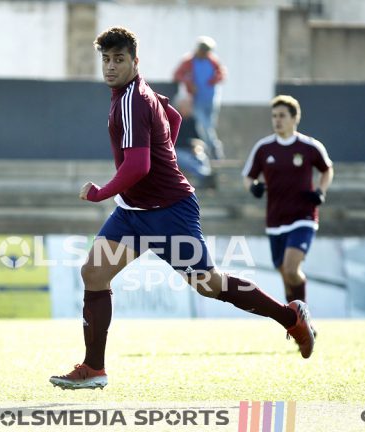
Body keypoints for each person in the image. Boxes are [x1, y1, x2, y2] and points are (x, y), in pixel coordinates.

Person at [49, 27, 315, 391]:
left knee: (209, 285)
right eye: (106, 60)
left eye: (119, 59)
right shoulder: (138, 95)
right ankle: (94, 368)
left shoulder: (131, 100)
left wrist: (101, 193)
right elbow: (172, 117)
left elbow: (139, 166)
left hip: (169, 212)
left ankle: (291, 316)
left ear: (134, 61)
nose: (110, 67)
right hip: (134, 211)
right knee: (94, 274)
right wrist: (165, 156)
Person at [242, 95, 334, 312]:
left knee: (292, 270)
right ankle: (296, 322)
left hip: (303, 217)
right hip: (275, 220)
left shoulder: (309, 146)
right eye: (274, 116)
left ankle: (304, 315)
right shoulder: (264, 148)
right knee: (285, 274)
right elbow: (247, 176)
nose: (277, 120)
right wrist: (253, 187)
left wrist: (321, 190)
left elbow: (327, 169)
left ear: (294, 119)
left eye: (282, 115)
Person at [173, 36, 226, 160]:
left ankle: (213, 151)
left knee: (209, 126)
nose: (204, 53)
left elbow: (222, 74)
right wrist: (189, 83)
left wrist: (214, 79)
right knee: (203, 126)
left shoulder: (213, 61)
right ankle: (214, 152)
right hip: (196, 100)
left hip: (211, 100)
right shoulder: (189, 61)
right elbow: (177, 75)